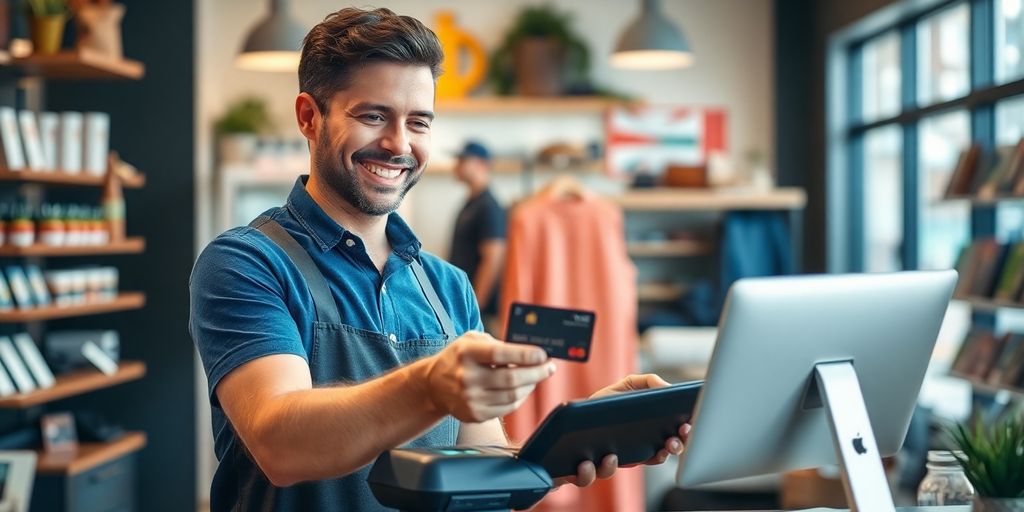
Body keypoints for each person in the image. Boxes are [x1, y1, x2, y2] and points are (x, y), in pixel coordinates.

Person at [189, 7, 689, 511]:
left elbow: (484, 464)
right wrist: (429, 387)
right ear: (308, 118)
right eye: (373, 116)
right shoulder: (247, 263)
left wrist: (575, 438)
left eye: (418, 122)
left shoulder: (447, 286)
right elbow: (280, 444)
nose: (399, 144)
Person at [449, 141, 505, 319]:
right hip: (464, 304)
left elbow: (493, 259)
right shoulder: (472, 204)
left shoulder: (488, 207)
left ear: (482, 164)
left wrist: (475, 309)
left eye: (463, 160)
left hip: (479, 312)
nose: (456, 165)